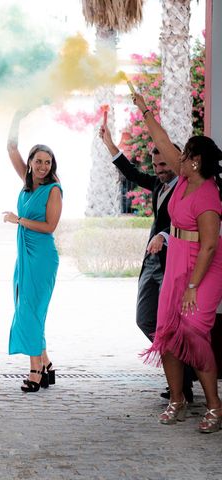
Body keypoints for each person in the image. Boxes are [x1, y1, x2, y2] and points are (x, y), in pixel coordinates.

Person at [134, 93, 222, 433]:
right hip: (176, 263)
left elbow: (210, 246)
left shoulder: (208, 194)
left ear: (196, 161)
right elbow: (159, 138)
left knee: (194, 334)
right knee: (168, 332)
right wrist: (144, 108)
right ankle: (178, 399)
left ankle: (214, 405)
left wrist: (191, 286)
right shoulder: (184, 180)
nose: (178, 158)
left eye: (184, 155)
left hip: (203, 267)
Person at [99, 125, 196, 402]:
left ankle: (182, 381)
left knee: (172, 322)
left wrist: (164, 237)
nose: (159, 169)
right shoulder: (158, 184)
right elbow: (131, 173)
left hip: (173, 263)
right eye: (155, 164)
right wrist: (110, 145)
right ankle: (180, 364)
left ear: (176, 160)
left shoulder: (187, 188)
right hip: (151, 264)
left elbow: (187, 223)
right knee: (145, 318)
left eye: (164, 163)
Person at [3, 111, 62, 393]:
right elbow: (11, 147)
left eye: (47, 162)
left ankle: (35, 370)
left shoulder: (53, 190)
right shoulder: (27, 183)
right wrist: (17, 117)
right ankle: (47, 364)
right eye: (38, 161)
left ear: (52, 166)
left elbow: (50, 225)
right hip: (23, 257)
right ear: (30, 163)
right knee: (25, 307)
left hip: (42, 258)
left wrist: (19, 220)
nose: (42, 166)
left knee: (32, 310)